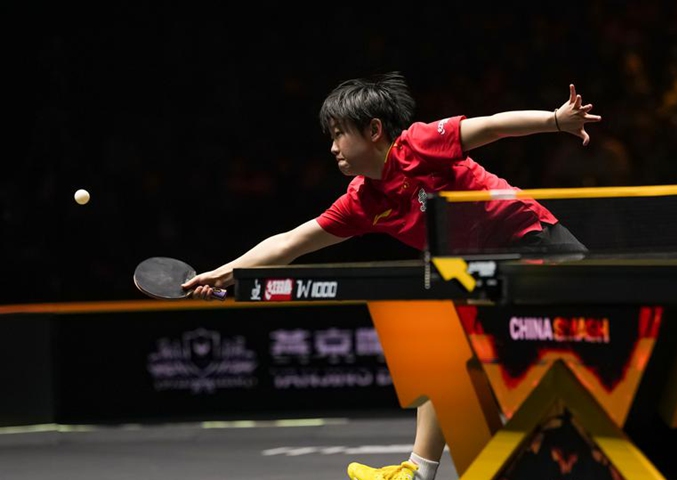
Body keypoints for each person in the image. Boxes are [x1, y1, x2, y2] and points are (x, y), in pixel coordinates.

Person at [183, 71, 601, 480]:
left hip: (531, 240)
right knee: (443, 353)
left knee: (597, 340)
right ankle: (418, 473)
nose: (332, 148)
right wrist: (224, 274)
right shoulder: (362, 201)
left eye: (338, 134)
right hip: (475, 269)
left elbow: (489, 128)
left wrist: (554, 120)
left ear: (374, 130)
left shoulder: (416, 145)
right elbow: (292, 242)